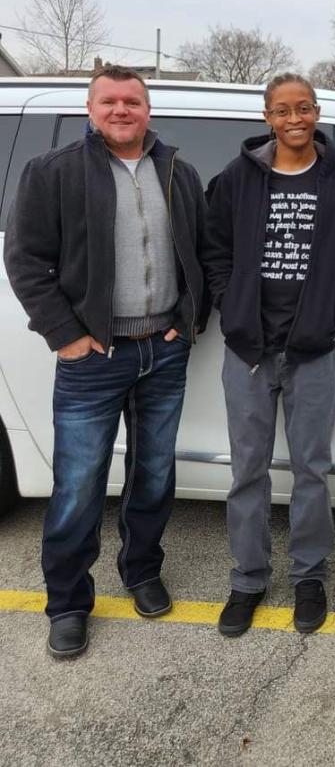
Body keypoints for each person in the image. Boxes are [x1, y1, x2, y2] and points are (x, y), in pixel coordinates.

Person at [3, 66, 208, 658]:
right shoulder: (54, 172)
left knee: (153, 475)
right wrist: (66, 335)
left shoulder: (178, 172)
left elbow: (206, 252)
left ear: (149, 109)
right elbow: (25, 261)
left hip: (162, 353)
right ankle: (67, 602)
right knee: (77, 486)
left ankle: (141, 571)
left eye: (133, 101)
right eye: (110, 101)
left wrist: (189, 317)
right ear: (91, 108)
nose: (122, 110)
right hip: (94, 358)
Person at [203, 73, 335, 637]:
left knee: (312, 470)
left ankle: (309, 577)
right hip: (249, 351)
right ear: (267, 117)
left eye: (304, 108)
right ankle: (248, 580)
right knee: (247, 471)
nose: (295, 119)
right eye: (283, 110)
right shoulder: (238, 179)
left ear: (317, 112)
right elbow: (215, 251)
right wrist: (231, 307)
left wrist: (332, 314)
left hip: (310, 351)